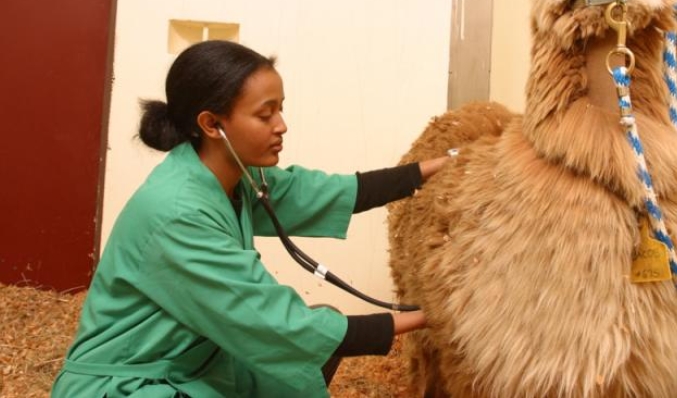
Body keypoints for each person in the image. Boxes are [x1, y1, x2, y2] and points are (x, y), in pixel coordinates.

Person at [52, 40, 449, 397]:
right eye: (265, 114)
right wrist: (430, 316)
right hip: (130, 381)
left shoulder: (235, 177)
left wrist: (436, 167)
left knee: (305, 354)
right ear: (212, 124)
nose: (282, 125)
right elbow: (276, 323)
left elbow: (327, 192)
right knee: (304, 340)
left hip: (190, 363)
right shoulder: (178, 214)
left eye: (281, 109)